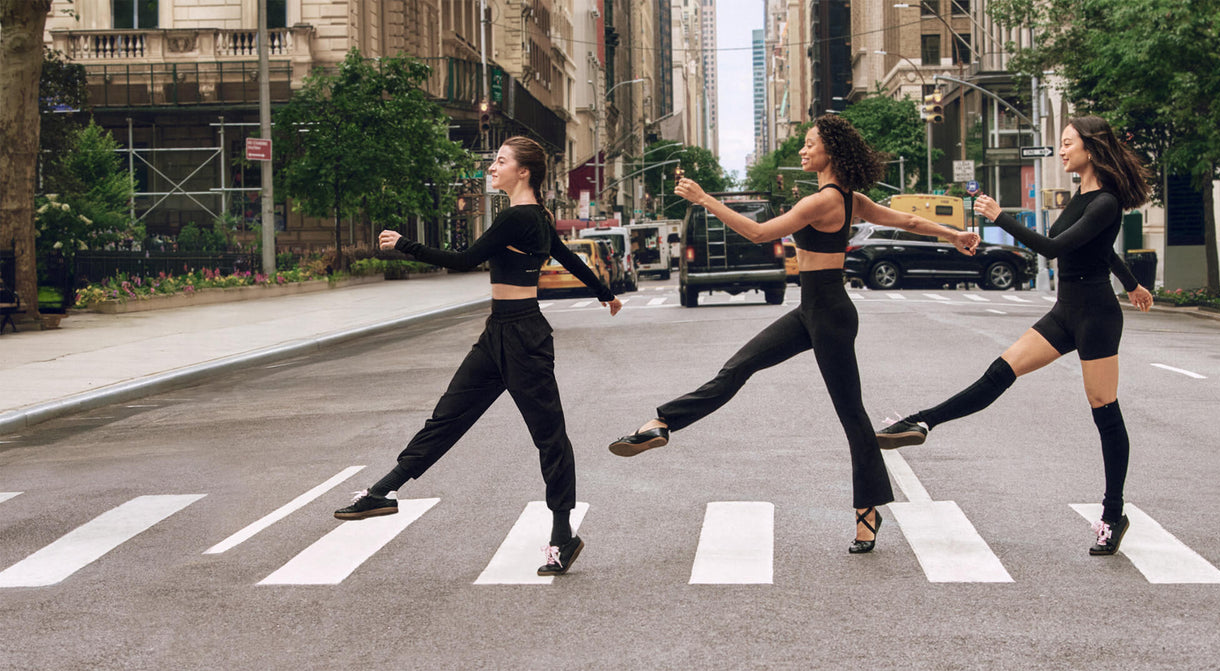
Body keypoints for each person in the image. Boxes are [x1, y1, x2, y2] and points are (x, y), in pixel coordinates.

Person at [608, 115, 981, 553]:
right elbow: (908, 221)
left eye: (809, 144)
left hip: (830, 314)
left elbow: (759, 232)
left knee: (851, 415)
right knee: (738, 367)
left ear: (831, 153)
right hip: (811, 310)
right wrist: (953, 234)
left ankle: (867, 512)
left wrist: (705, 198)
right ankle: (662, 423)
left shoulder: (824, 200)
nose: (802, 151)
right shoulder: (847, 197)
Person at [335, 136, 622, 577]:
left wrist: (405, 244)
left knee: (549, 437)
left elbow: (463, 260)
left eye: (501, 162)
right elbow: (568, 259)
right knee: (448, 416)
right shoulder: (540, 217)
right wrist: (605, 292)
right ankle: (383, 491)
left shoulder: (520, 217)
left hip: (523, 337)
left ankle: (563, 536)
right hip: (499, 333)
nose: (492, 168)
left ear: (523, 171)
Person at [877, 115, 1154, 557]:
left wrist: (1000, 217)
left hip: (1098, 317)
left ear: (1091, 147)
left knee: (1105, 411)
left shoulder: (1104, 201)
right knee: (1000, 372)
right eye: (1060, 144)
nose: (1062, 150)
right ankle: (922, 420)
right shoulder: (1083, 195)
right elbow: (1101, 249)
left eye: (1067, 143)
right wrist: (1135, 283)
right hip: (1066, 312)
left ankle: (1112, 513)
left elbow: (1053, 248)